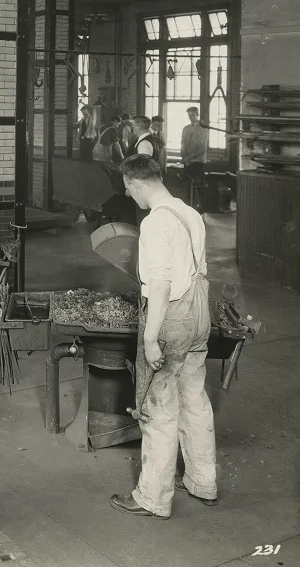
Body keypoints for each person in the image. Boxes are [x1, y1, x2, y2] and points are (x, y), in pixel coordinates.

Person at [110, 153, 216, 520]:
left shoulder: (155, 224)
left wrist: (151, 338)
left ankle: (153, 498)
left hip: (172, 321)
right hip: (200, 316)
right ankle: (203, 482)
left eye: (128, 189)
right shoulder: (190, 213)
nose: (129, 196)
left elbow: (160, 285)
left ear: (137, 183)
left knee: (158, 409)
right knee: (195, 398)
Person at [181, 107, 208, 185]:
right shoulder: (186, 128)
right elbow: (183, 144)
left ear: (197, 114)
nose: (190, 117)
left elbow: (202, 147)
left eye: (193, 115)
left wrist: (189, 158)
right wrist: (184, 158)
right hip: (187, 162)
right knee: (187, 186)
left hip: (198, 161)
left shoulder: (203, 128)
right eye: (189, 115)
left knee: (197, 186)